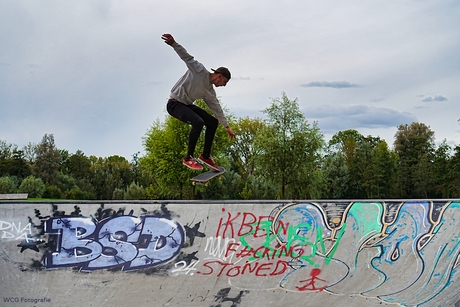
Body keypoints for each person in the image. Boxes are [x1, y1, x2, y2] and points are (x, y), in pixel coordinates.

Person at [161, 33, 236, 171]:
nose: (223, 86)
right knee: (198, 122)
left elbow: (217, 109)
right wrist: (173, 44)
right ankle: (188, 158)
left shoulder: (209, 92)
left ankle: (205, 156)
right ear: (219, 76)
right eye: (224, 82)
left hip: (186, 105)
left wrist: (226, 126)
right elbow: (187, 57)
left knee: (213, 122)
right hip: (174, 104)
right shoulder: (199, 70)